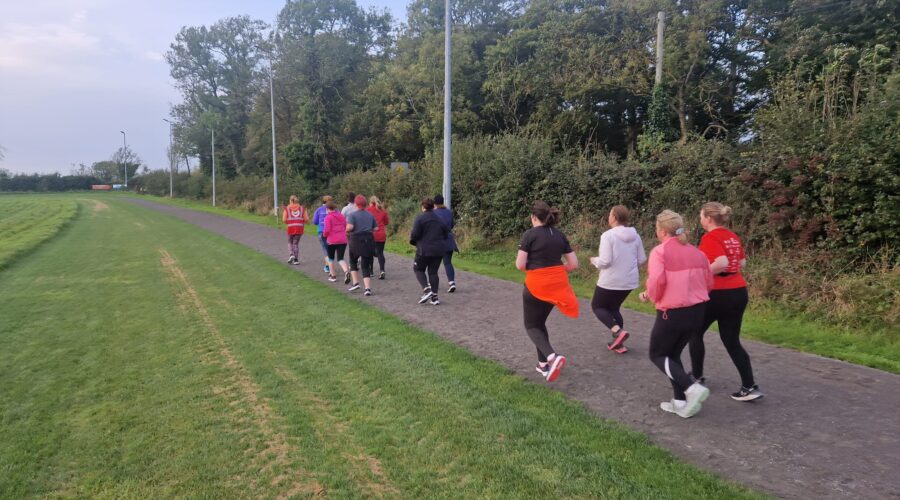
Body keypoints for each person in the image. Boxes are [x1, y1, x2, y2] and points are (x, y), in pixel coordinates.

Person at [639, 210, 712, 418]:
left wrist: (652, 296)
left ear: (661, 231)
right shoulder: (698, 253)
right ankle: (680, 402)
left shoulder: (660, 252)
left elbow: (657, 282)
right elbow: (708, 283)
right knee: (672, 355)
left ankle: (691, 389)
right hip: (697, 311)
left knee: (657, 354)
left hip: (673, 312)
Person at [690, 202, 764, 401]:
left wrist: (703, 274)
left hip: (718, 293)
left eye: (701, 216)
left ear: (708, 218)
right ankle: (749, 386)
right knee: (732, 340)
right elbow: (742, 263)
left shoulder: (710, 237)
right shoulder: (733, 236)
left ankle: (696, 378)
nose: (700, 220)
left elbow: (721, 262)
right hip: (738, 291)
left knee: (695, 332)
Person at [515, 201, 579, 383]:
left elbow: (520, 264)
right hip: (557, 285)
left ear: (534, 217)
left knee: (531, 326)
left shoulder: (530, 234)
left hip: (536, 285)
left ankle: (552, 356)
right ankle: (543, 364)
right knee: (539, 323)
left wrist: (539, 269)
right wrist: (555, 270)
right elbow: (573, 264)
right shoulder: (559, 235)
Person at [589, 205, 646, 354]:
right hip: (629, 281)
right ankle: (619, 344)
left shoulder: (608, 235)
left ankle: (617, 332)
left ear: (614, 217)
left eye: (609, 214)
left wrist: (594, 260)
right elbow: (642, 259)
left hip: (610, 280)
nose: (608, 217)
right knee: (614, 308)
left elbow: (605, 261)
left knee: (598, 306)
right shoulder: (636, 235)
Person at [409, 198, 449, 305]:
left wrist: (414, 242)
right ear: (433, 207)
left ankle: (427, 290)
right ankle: (435, 298)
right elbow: (446, 232)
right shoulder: (439, 218)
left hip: (424, 249)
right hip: (439, 249)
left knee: (418, 269)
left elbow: (415, 234)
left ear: (423, 207)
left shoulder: (420, 218)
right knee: (433, 272)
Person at [346, 194, 377, 296]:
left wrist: (345, 229)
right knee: (365, 264)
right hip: (368, 240)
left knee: (353, 261)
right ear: (365, 204)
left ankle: (355, 283)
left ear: (356, 204)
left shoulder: (352, 215)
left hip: (355, 240)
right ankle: (367, 288)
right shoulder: (370, 215)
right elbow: (376, 228)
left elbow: (350, 227)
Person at [433, 195, 458, 293]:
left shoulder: (433, 213)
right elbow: (452, 225)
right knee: (447, 262)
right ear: (443, 202)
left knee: (434, 264)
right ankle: (452, 282)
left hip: (437, 241)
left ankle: (432, 283)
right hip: (449, 240)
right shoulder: (449, 212)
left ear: (434, 203)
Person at [322, 201, 350, 284]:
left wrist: (324, 235)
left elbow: (327, 230)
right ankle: (346, 272)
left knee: (330, 258)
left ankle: (333, 276)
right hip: (343, 239)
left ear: (327, 209)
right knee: (340, 258)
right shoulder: (341, 216)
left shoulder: (328, 217)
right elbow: (346, 226)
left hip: (332, 240)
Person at [367, 196, 390, 279]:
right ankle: (382, 270)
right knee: (380, 253)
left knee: (370, 253)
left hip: (371, 234)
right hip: (381, 234)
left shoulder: (368, 210)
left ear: (370, 202)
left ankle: (371, 271)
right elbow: (387, 222)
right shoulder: (383, 211)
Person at [282, 195, 308, 265]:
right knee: (295, 243)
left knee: (290, 242)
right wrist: (302, 222)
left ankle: (291, 254)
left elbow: (284, 220)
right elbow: (306, 219)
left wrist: (288, 222)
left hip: (290, 227)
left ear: (290, 201)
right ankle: (296, 260)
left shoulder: (287, 208)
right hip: (299, 228)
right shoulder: (302, 208)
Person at [312, 195, 333, 273]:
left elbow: (314, 221)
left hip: (322, 231)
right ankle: (328, 266)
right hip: (332, 232)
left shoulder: (319, 210)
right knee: (330, 250)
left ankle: (328, 266)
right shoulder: (335, 209)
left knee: (325, 250)